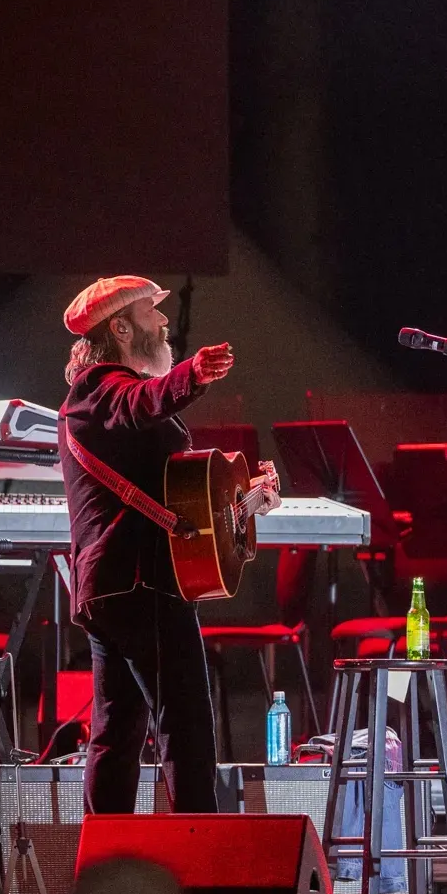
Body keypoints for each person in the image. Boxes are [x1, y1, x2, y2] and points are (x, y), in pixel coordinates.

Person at [59, 276, 279, 814]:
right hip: (142, 582)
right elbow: (143, 402)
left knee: (118, 734)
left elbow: (173, 493)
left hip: (123, 584)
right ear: (120, 328)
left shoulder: (104, 397)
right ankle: (197, 851)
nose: (163, 322)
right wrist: (191, 375)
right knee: (186, 728)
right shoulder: (102, 389)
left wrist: (245, 501)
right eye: (150, 313)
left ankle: (106, 856)